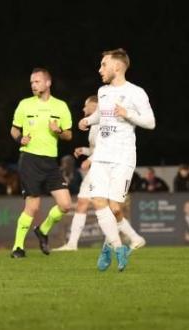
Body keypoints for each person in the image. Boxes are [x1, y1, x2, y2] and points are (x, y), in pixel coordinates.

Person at [78, 48, 155, 271]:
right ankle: (118, 247)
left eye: (104, 64)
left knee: (115, 208)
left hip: (123, 157)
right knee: (98, 202)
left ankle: (108, 245)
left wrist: (128, 114)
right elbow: (102, 114)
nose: (99, 69)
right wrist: (88, 120)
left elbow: (150, 122)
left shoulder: (136, 92)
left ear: (117, 67)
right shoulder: (102, 91)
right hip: (102, 155)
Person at [54, 95, 145, 252]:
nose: (83, 109)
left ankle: (129, 239)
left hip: (104, 168)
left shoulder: (105, 122)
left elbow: (108, 147)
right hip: (99, 166)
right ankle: (73, 244)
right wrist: (85, 151)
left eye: (86, 105)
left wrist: (90, 159)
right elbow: (97, 148)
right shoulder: (96, 123)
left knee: (108, 208)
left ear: (95, 105)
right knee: (86, 203)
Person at [9, 68, 73, 259]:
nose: (33, 85)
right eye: (31, 82)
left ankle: (42, 230)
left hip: (50, 162)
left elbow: (69, 135)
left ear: (48, 83)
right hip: (29, 159)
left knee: (65, 204)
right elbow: (13, 130)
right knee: (33, 206)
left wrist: (59, 131)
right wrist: (20, 139)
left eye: (37, 81)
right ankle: (17, 247)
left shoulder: (60, 106)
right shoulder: (25, 105)